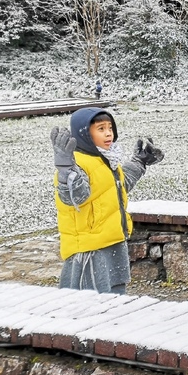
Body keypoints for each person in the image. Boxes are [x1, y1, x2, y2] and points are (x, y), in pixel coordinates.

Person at [50, 107, 164, 294]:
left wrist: (139, 162)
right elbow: (75, 197)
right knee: (87, 303)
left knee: (114, 299)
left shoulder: (106, 160)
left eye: (110, 128)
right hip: (90, 250)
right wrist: (66, 170)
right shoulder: (77, 164)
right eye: (100, 129)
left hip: (111, 241)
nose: (108, 133)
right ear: (84, 133)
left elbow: (118, 185)